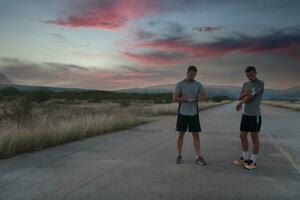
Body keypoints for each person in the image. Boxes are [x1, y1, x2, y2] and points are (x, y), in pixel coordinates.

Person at [173, 65, 208, 165]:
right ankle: (179, 156)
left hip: (194, 114)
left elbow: (205, 96)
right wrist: (186, 99)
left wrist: (196, 99)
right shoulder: (180, 84)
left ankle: (198, 157)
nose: (192, 77)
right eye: (191, 74)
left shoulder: (198, 84)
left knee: (195, 134)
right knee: (181, 134)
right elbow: (175, 98)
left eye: (194, 75)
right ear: (187, 73)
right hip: (182, 113)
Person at [234, 66, 265, 170]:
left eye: (251, 75)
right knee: (242, 136)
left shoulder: (260, 83)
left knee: (254, 138)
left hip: (254, 115)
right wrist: (244, 94)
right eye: (248, 76)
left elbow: (250, 96)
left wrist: (241, 102)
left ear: (256, 73)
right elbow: (240, 96)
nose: (250, 78)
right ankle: (245, 158)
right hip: (245, 114)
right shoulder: (246, 84)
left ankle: (253, 161)